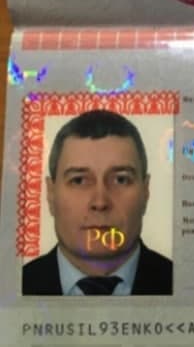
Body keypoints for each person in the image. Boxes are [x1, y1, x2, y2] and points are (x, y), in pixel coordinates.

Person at [22, 109, 172, 295]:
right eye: (78, 180)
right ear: (51, 194)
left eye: (121, 180)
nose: (100, 203)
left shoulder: (182, 284)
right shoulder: (11, 287)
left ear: (146, 191)